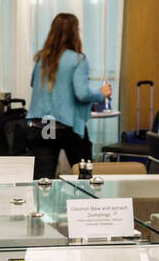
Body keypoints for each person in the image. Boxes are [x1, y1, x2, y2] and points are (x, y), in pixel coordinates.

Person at [26, 13, 110, 179]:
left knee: (44, 179)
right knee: (84, 176)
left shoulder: (42, 58)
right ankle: (81, 204)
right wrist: (101, 93)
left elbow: (33, 84)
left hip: (45, 125)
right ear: (74, 33)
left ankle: (43, 205)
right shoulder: (78, 59)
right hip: (68, 128)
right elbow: (82, 93)